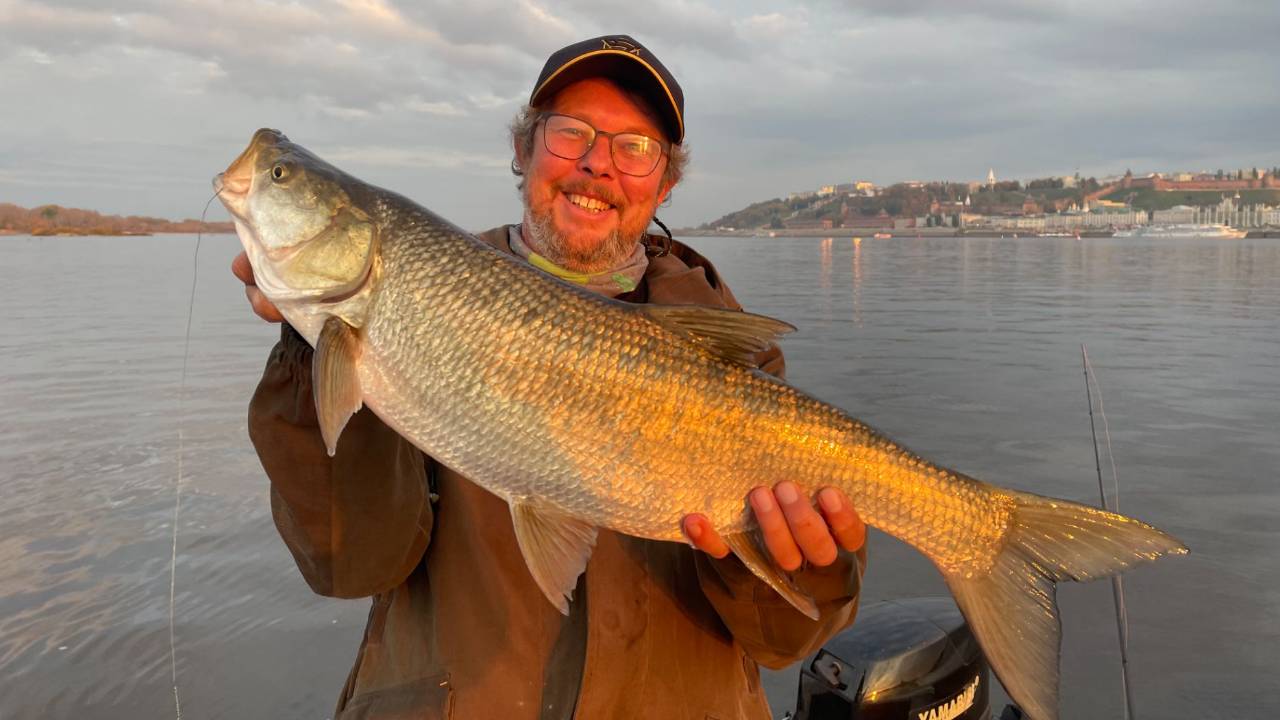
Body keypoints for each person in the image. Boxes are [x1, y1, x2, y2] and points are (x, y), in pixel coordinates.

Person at [231, 35, 867, 720]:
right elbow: (349, 564)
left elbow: (784, 640)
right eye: (571, 134)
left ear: (665, 183)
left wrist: (802, 565)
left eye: (636, 148)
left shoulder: (732, 355)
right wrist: (309, 350)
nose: (599, 164)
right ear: (523, 150)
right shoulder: (421, 291)